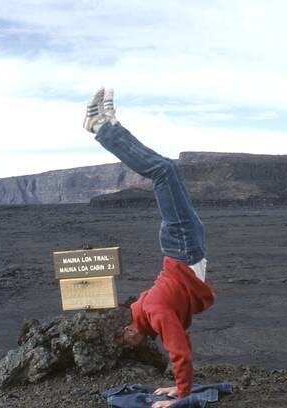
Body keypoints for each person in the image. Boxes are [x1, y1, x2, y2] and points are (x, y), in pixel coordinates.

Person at [83, 88, 216, 408]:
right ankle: (110, 125)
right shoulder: (144, 310)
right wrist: (178, 387)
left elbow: (179, 350)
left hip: (182, 247)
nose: (130, 345)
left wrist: (181, 396)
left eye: (124, 340)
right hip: (185, 247)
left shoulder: (152, 311)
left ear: (128, 328)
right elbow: (181, 343)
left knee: (163, 171)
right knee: (167, 170)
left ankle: (100, 127)